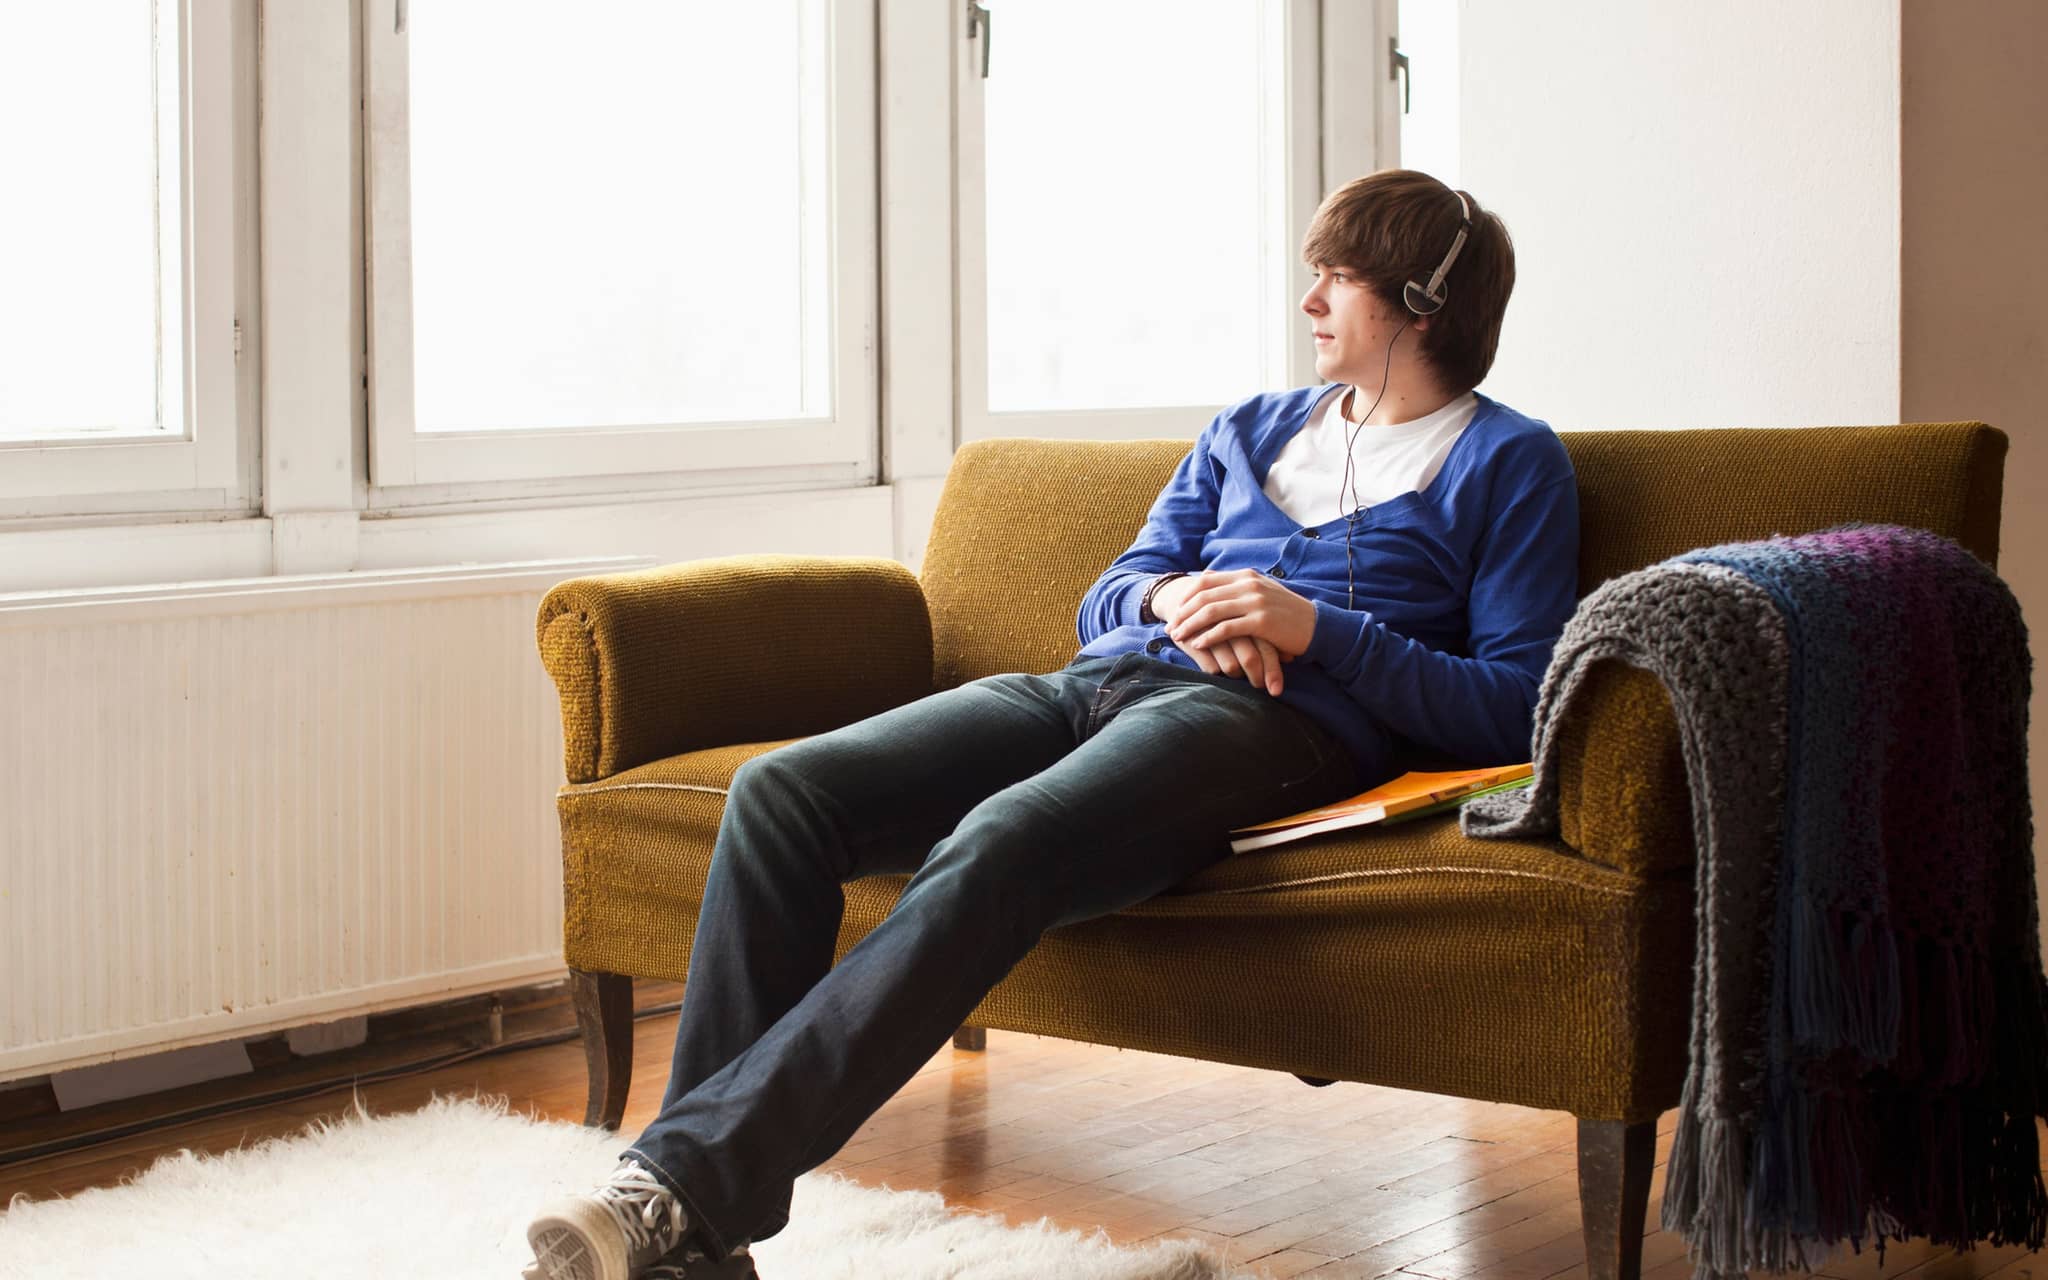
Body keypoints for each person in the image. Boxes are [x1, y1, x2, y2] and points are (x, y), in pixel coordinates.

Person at [522, 169, 1579, 1280]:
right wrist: (1167, 596)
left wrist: (1315, 629)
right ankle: (699, 1237)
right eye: (1309, 273)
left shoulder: (1509, 462)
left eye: (1338, 276)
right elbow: (1110, 587)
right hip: (1092, 683)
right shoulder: (1250, 427)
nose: (1308, 299)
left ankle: (674, 1189)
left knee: (1003, 838)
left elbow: (1512, 696)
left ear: (1420, 299)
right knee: (782, 794)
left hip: (1266, 729)